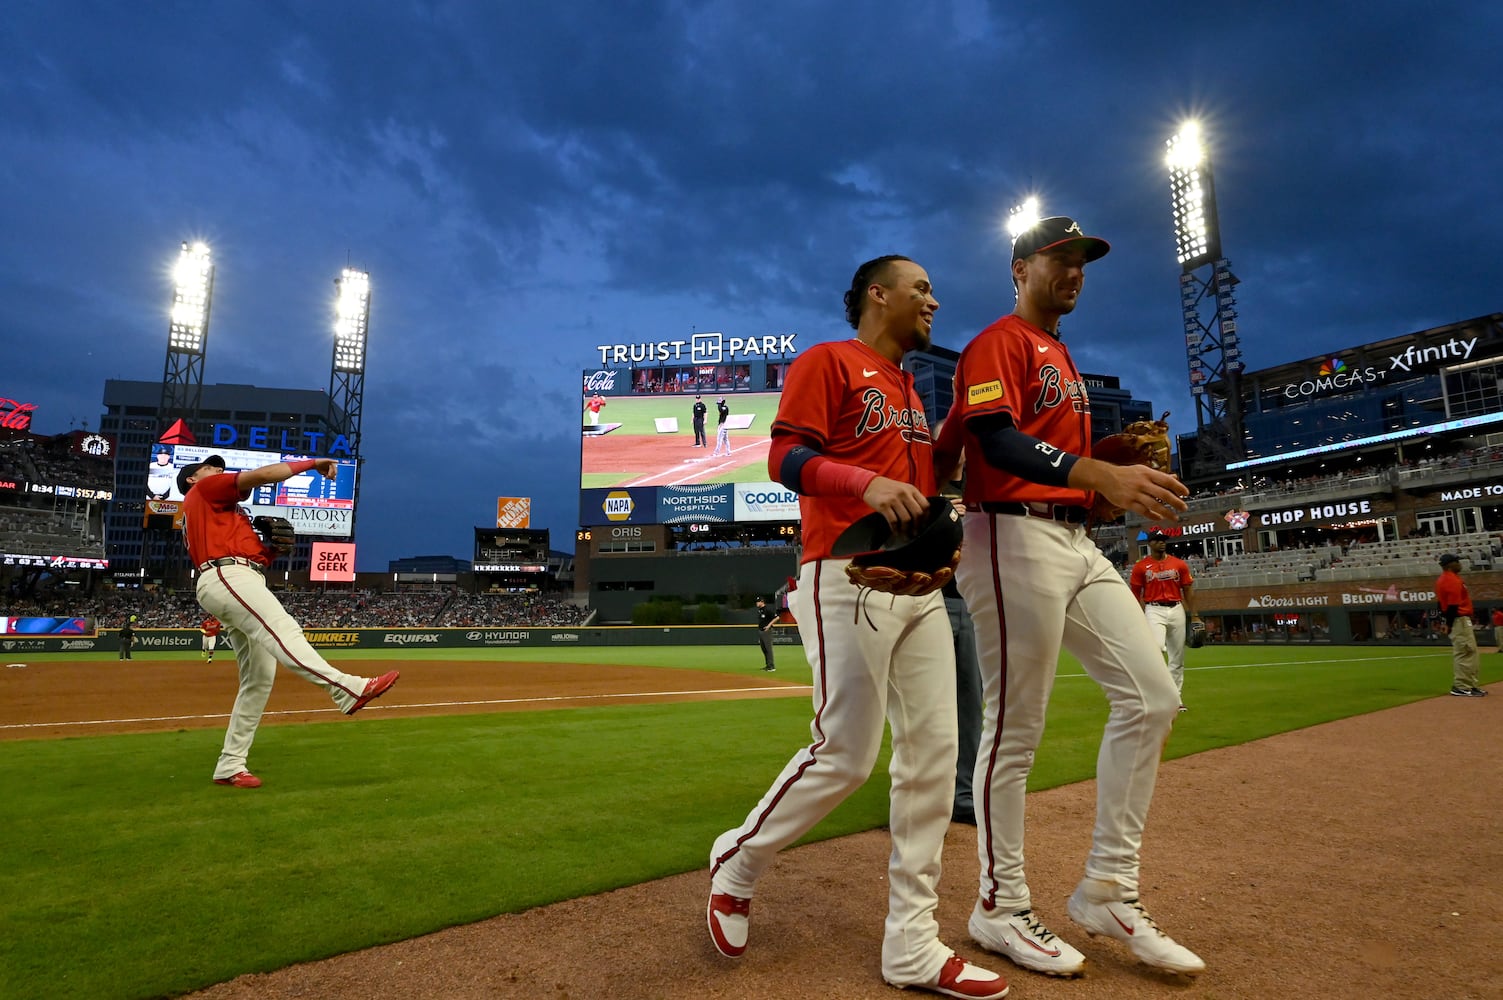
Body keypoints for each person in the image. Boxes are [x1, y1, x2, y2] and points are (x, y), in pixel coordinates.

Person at [707, 255, 1007, 999]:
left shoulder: (910, 386)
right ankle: (737, 860)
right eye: (921, 288)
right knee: (845, 754)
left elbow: (921, 485)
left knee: (935, 757)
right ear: (879, 294)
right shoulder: (829, 361)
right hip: (842, 574)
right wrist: (863, 480)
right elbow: (783, 455)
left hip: (917, 584)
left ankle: (910, 943)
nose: (934, 300)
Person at [936, 216, 1204, 978]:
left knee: (1152, 698)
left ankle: (1107, 890)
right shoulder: (998, 342)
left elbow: (1052, 460)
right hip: (1007, 537)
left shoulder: (1060, 353)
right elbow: (993, 441)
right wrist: (1098, 473)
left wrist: (1104, 475)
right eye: (1058, 258)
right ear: (1019, 269)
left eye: (1082, 260)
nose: (1074, 270)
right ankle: (998, 904)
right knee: (1013, 730)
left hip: (1071, 540)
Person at [179, 454, 401, 789]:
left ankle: (230, 765)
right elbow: (263, 475)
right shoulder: (206, 490)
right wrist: (313, 464)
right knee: (283, 630)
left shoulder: (221, 513)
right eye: (209, 468)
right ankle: (348, 689)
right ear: (193, 480)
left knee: (258, 679)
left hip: (236, 574)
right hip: (227, 574)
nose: (217, 470)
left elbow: (258, 558)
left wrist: (271, 552)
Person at [1129, 530, 1200, 710]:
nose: (1162, 543)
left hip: (1176, 608)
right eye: (1158, 540)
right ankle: (1154, 693)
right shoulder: (1141, 567)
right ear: (1150, 544)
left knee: (1177, 656)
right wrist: (1135, 617)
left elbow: (1188, 589)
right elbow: (1135, 594)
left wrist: (1195, 614)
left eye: (1163, 540)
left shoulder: (1179, 564)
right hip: (1153, 609)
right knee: (1157, 648)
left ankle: (1175, 698)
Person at [1436, 553, 1486, 697]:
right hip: (1458, 620)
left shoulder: (1448, 579)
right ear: (1450, 565)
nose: (1460, 563)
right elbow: (1451, 606)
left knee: (1471, 653)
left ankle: (1471, 685)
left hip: (1461, 619)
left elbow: (1440, 604)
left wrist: (1444, 620)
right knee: (1465, 652)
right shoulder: (1450, 579)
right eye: (1457, 561)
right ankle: (1461, 686)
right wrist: (1448, 622)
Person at [754, 596, 777, 671]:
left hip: (767, 631)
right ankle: (768, 665)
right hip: (761, 631)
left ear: (762, 601)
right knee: (764, 649)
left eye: (758, 601)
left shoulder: (767, 609)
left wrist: (769, 625)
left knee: (768, 649)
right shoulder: (760, 610)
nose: (757, 603)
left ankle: (772, 666)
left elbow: (776, 617)